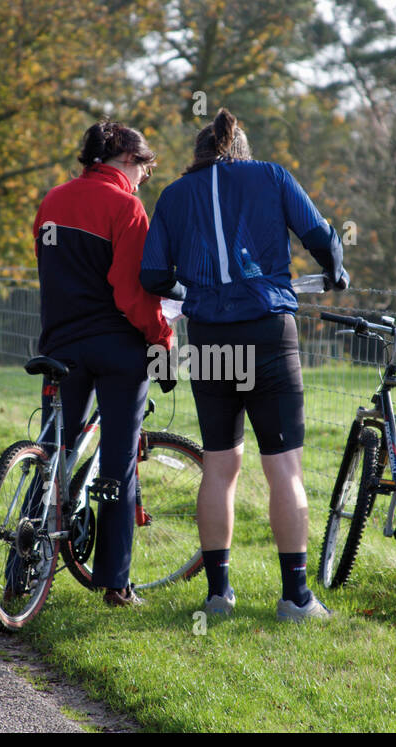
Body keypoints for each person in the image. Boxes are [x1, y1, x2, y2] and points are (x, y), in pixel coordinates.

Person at [139, 109, 348, 622]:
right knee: (283, 467)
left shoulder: (173, 195)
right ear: (241, 148)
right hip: (268, 333)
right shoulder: (271, 175)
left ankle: (218, 594)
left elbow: (152, 275)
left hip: (210, 337)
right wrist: (334, 270)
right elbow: (320, 236)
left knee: (220, 464)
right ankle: (296, 598)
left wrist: (193, 292)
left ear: (199, 152)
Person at [33, 120, 173, 607]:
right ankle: (114, 583)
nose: (143, 180)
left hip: (58, 348)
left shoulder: (51, 201)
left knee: (52, 454)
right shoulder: (125, 207)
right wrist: (163, 339)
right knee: (117, 465)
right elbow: (133, 294)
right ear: (128, 161)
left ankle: (21, 570)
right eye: (145, 170)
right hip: (115, 349)